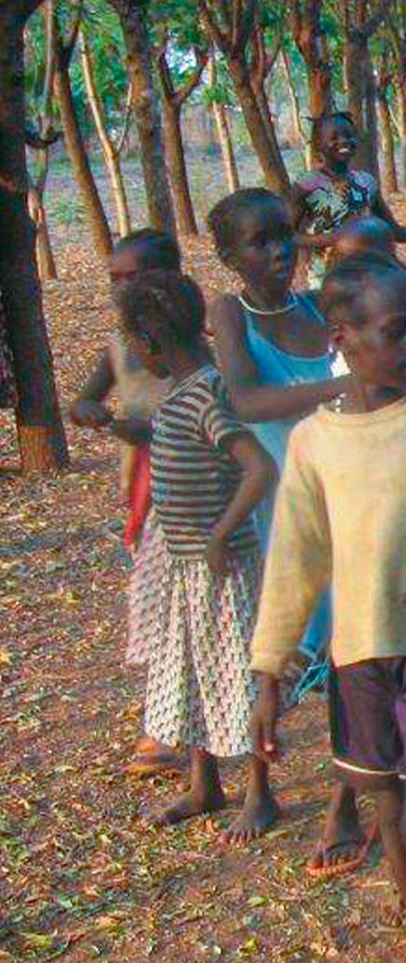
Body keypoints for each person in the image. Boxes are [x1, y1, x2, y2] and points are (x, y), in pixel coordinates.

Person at [246, 255, 406, 963]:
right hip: (359, 654)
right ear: (344, 338)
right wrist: (269, 671)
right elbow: (296, 558)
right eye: (395, 332)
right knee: (386, 812)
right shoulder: (315, 442)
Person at [206, 188, 367, 868]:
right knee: (266, 655)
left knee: (347, 659)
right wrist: (342, 386)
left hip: (343, 502)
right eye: (259, 243)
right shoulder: (230, 314)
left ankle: (343, 801)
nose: (277, 253)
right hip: (278, 509)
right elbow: (246, 400)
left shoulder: (315, 309)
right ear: (229, 256)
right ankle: (258, 787)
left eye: (283, 238)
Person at [116, 269, 279, 839]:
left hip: (221, 567)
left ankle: (260, 794)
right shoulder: (182, 395)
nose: (135, 353)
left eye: (134, 344)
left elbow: (260, 468)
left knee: (237, 673)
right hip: (186, 568)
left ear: (152, 344)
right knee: (190, 671)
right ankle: (203, 783)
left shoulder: (205, 393)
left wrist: (217, 536)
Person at [70, 230, 186, 778]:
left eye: (131, 276)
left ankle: (166, 726)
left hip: (191, 482)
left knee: (179, 602)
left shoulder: (189, 341)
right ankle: (167, 713)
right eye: (114, 278)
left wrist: (133, 426)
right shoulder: (121, 347)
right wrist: (90, 410)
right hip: (146, 486)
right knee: (160, 601)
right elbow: (85, 398)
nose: (120, 287)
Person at [291, 110, 406, 290]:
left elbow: (392, 229)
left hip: (367, 275)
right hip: (324, 280)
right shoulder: (307, 185)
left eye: (349, 135)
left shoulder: (366, 182)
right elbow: (286, 235)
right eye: (334, 137)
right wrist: (332, 239)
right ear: (318, 145)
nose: (344, 141)